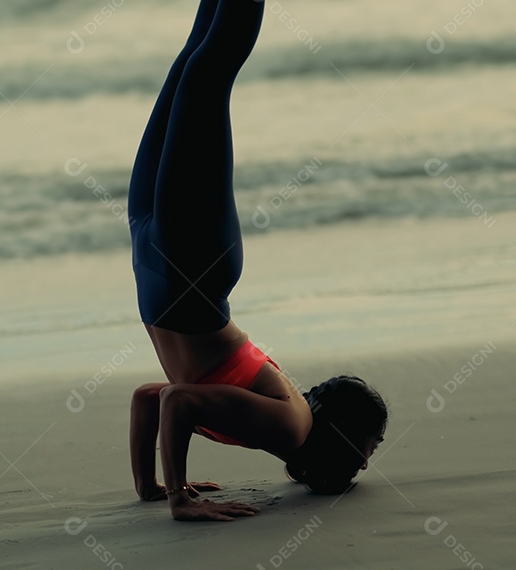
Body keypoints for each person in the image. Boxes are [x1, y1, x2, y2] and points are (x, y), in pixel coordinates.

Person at [126, 0, 388, 522]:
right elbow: (175, 401)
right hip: (185, 270)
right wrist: (180, 498)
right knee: (207, 71)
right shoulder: (290, 427)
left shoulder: (275, 424)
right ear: (342, 430)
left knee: (195, 65)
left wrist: (154, 487)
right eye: (370, 447)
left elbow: (153, 398)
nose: (363, 463)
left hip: (165, 266)